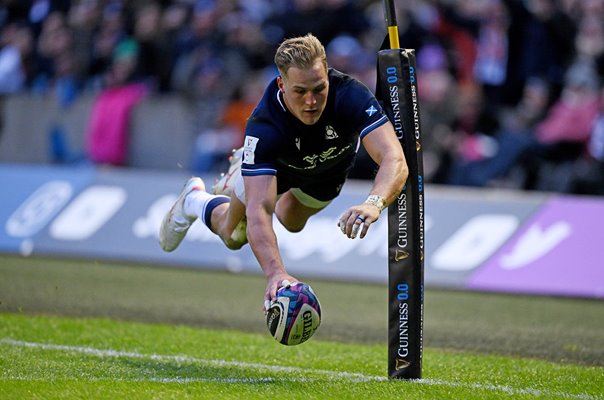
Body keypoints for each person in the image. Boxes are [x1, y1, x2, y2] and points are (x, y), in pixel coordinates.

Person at [159, 34, 408, 312]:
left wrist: (374, 202)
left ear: (327, 75)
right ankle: (198, 198)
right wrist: (276, 273)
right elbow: (260, 210)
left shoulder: (351, 94)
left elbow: (393, 157)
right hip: (279, 167)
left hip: (328, 170)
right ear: (282, 84)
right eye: (300, 91)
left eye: (319, 88)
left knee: (291, 220)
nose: (311, 101)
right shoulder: (265, 125)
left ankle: (243, 178)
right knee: (234, 236)